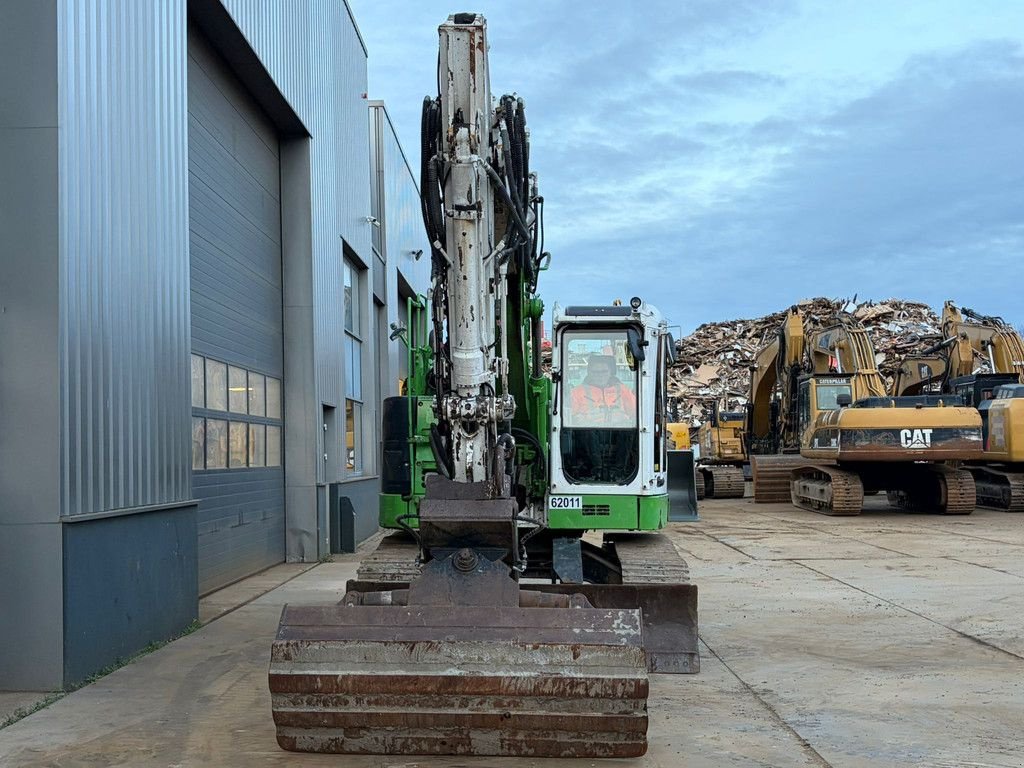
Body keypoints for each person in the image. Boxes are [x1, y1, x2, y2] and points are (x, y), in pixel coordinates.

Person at [569, 354, 637, 426]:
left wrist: (624, 418)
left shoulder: (623, 390)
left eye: (604, 371)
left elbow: (636, 414)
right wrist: (586, 418)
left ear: (611, 372)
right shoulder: (576, 393)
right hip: (587, 434)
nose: (600, 375)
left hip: (621, 434)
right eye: (595, 372)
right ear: (589, 373)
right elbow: (569, 419)